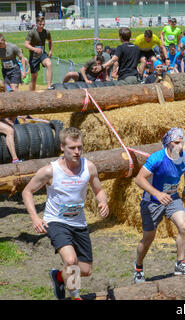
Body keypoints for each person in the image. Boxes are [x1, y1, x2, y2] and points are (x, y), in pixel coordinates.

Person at [22, 127, 109, 300]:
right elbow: (27, 191)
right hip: (56, 221)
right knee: (70, 261)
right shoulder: (50, 171)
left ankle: (59, 276)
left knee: (84, 270)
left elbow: (99, 190)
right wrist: (35, 217)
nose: (77, 152)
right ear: (62, 147)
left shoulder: (88, 167)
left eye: (80, 147)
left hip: (79, 222)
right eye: (72, 148)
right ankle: (75, 296)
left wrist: (103, 201)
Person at [133, 128, 185, 284]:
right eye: (176, 143)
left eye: (182, 143)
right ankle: (138, 267)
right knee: (148, 238)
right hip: (152, 201)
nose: (180, 146)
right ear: (168, 143)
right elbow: (139, 179)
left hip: (173, 198)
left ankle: (180, 264)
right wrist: (157, 194)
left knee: (184, 226)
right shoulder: (157, 158)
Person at [24, 16, 53, 91]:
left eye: (43, 24)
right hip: (33, 56)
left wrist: (50, 50)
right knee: (34, 78)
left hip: (42, 54)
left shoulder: (46, 32)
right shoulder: (32, 32)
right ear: (36, 24)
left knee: (49, 64)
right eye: (40, 24)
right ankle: (31, 94)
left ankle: (49, 86)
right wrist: (35, 49)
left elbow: (50, 41)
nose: (42, 26)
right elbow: (26, 44)